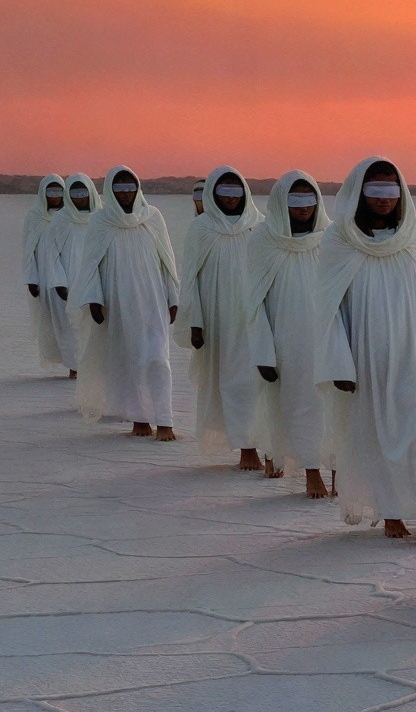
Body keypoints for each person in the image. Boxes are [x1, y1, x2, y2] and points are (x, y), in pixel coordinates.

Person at [326, 158, 416, 543]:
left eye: (391, 191)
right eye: (375, 191)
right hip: (366, 356)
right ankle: (391, 512)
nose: (384, 200)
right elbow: (329, 308)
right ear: (360, 193)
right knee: (377, 433)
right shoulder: (338, 241)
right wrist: (339, 362)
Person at [249, 173, 346, 501]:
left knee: (334, 407)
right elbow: (253, 302)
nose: (303, 208)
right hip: (287, 339)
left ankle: (338, 471)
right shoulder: (263, 239)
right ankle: (311, 471)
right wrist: (262, 351)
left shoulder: (333, 237)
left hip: (330, 334)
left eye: (309, 200)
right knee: (300, 404)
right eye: (295, 201)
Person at [181, 168, 278, 475]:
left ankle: (273, 446)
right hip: (220, 316)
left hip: (260, 314)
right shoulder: (201, 228)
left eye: (237, 192)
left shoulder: (260, 225)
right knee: (235, 379)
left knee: (266, 381)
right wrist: (195, 321)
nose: (232, 199)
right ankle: (247, 447)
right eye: (225, 193)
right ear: (213, 194)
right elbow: (190, 278)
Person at [78, 167, 185, 440]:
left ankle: (165, 420)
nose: (126, 193)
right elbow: (90, 265)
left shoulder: (153, 218)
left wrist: (173, 297)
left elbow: (167, 261)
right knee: (127, 360)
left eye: (130, 187)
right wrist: (93, 299)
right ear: (110, 191)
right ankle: (139, 418)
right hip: (118, 303)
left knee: (158, 358)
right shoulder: (100, 222)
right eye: (120, 188)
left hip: (153, 300)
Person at [26, 177, 83, 380]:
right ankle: (73, 365)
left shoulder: (74, 217)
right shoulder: (34, 217)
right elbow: (28, 250)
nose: (55, 197)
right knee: (63, 322)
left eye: (59, 192)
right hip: (49, 279)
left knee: (82, 323)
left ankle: (83, 363)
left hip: (81, 276)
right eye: (50, 193)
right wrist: (32, 278)